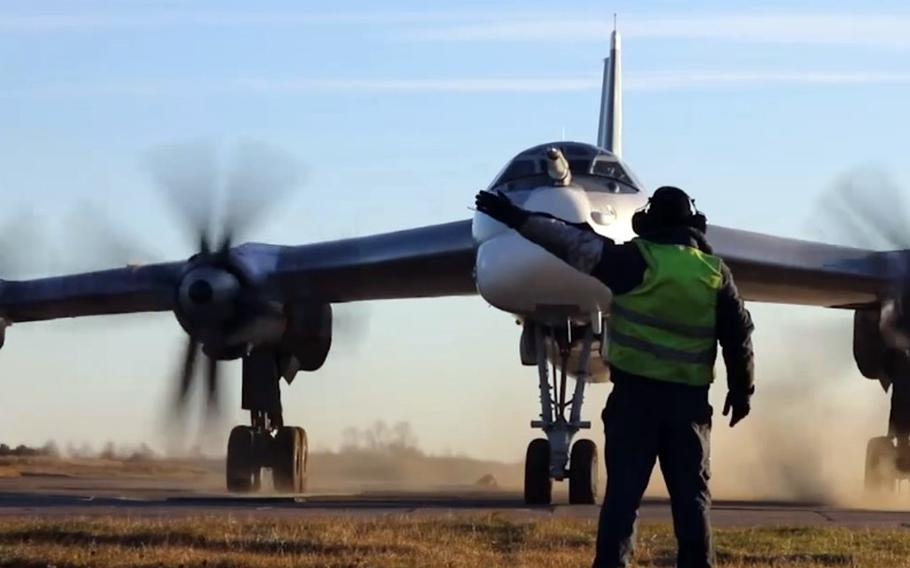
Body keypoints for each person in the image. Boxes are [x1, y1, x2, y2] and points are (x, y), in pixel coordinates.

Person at [475, 186, 754, 568]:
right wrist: (741, 390)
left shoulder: (634, 261)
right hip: (687, 407)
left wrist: (517, 219)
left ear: (650, 223)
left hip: (635, 404)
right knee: (692, 503)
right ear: (693, 227)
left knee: (622, 499)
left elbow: (570, 242)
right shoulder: (714, 274)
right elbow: (739, 334)